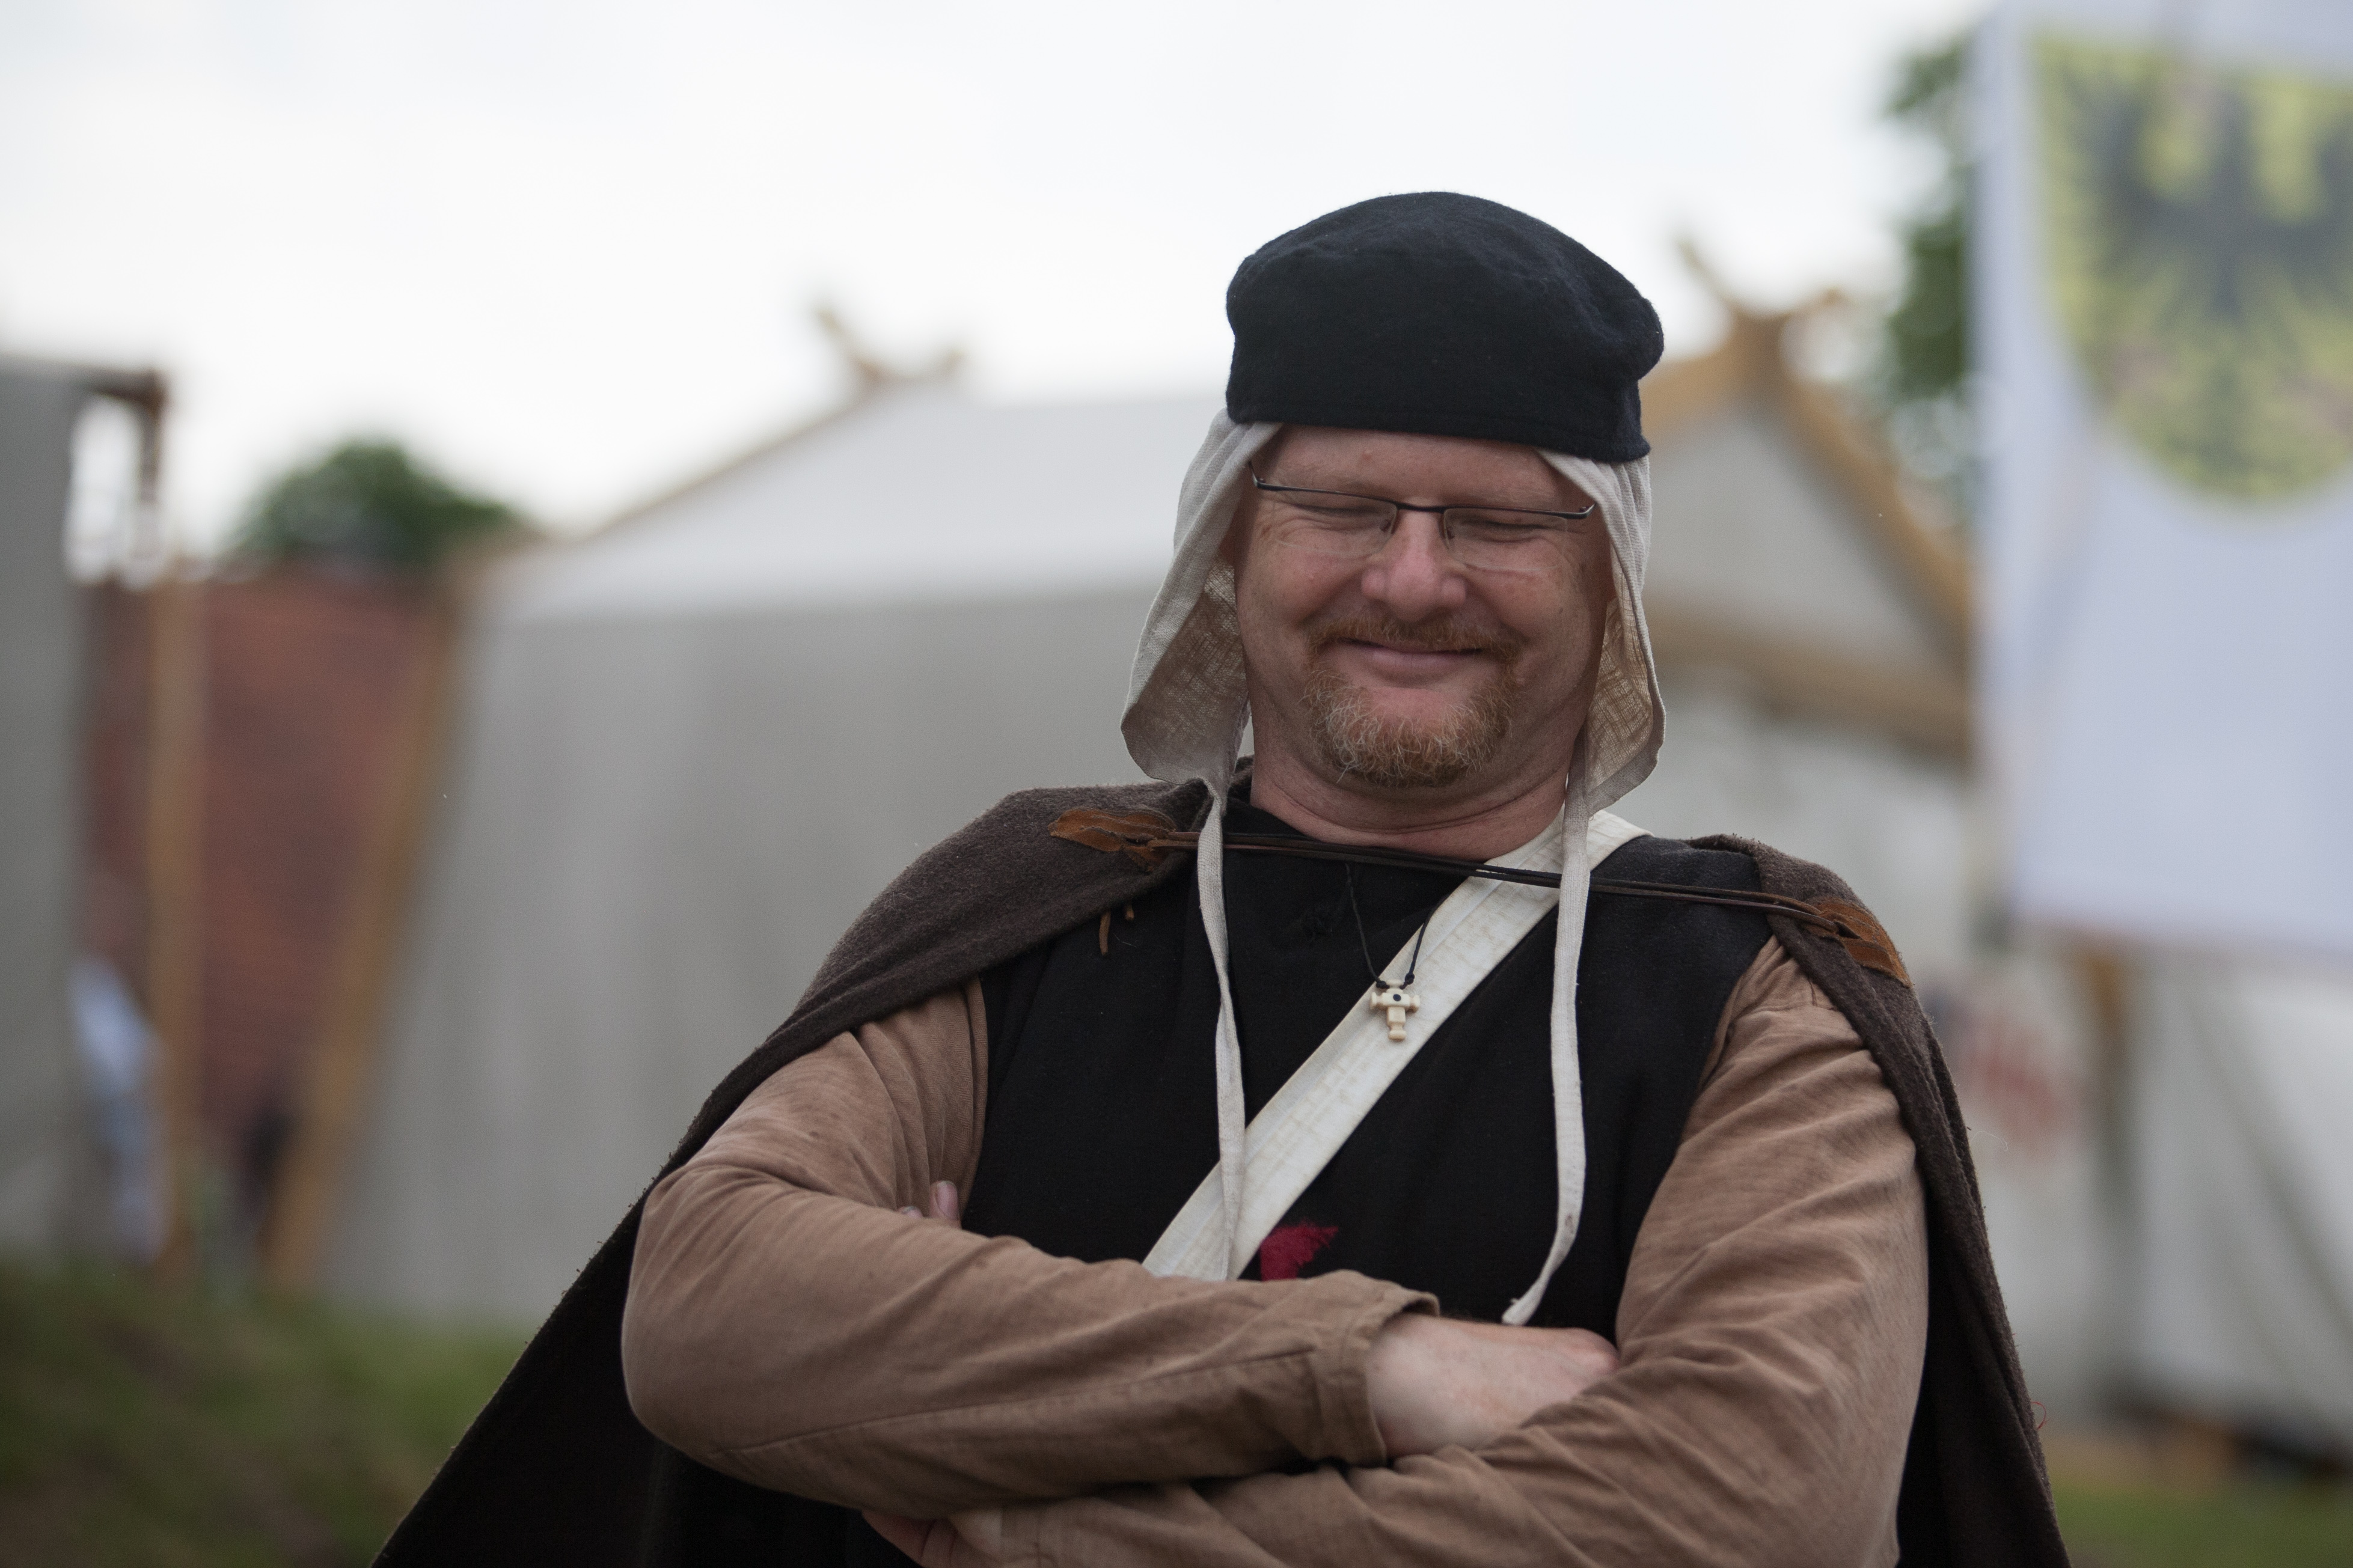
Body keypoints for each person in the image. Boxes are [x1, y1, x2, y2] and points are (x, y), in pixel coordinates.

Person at [376, 194, 2066, 1568]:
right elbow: (711, 1306)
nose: (1414, 578)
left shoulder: (1757, 987)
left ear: (1606, 571)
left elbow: (1749, 1514)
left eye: (1497, 522)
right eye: (1344, 505)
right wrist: (1381, 1371)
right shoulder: (1037, 905)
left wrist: (1025, 1522)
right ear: (1232, 540)